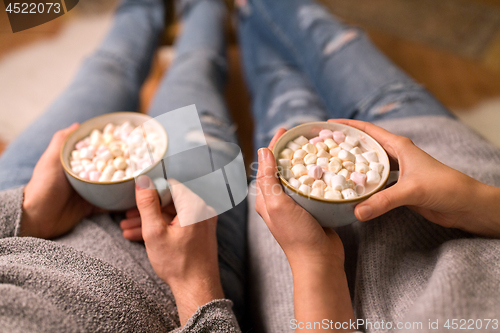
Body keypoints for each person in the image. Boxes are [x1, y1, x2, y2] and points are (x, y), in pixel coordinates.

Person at [238, 0, 500, 331]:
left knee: (276, 78)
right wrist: (477, 201)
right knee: (321, 33)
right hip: (436, 146)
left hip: (296, 249)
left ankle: (233, 14)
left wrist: (315, 261)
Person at [0, 0, 246, 331]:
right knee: (193, 68)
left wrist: (25, 213)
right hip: (177, 266)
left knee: (105, 68)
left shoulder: (28, 209)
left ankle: (141, 6)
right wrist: (195, 285)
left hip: (25, 208)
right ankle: (206, 7)